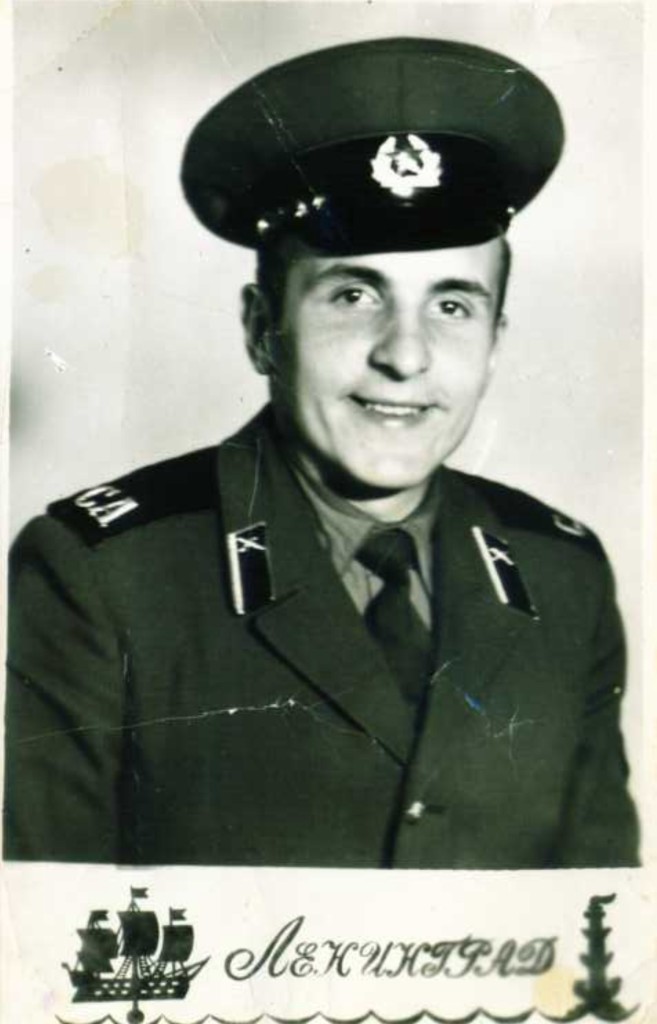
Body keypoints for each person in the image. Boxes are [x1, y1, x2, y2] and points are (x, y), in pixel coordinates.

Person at [4, 37, 639, 868]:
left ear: (494, 341)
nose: (404, 356)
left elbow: (598, 932)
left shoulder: (561, 578)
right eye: (353, 295)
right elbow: (45, 929)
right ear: (262, 330)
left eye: (451, 306)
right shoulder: (104, 577)